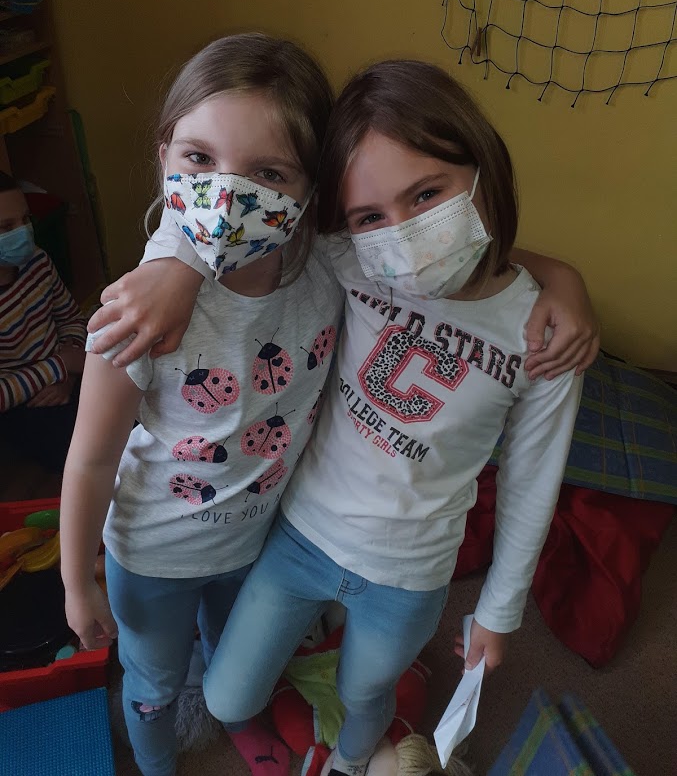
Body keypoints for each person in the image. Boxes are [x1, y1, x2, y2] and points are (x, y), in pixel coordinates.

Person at [90, 57, 598, 776]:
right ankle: (322, 648)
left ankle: (353, 762)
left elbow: (531, 481)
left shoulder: (541, 336)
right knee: (230, 698)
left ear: (483, 166)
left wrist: (497, 610)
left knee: (366, 694)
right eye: (369, 217)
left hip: (411, 571)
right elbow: (231, 221)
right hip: (298, 536)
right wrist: (175, 266)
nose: (405, 236)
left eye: (427, 194)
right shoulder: (353, 261)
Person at [60, 33, 343, 776]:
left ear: (313, 189)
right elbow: (89, 458)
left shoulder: (328, 268)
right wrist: (75, 579)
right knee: (153, 684)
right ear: (164, 157)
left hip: (257, 543)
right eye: (199, 158)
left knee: (234, 659)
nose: (226, 197)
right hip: (153, 553)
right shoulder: (136, 313)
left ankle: (234, 715)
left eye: (268, 172)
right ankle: (156, 764)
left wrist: (562, 284)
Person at [0, 171, 85, 472]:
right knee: (86, 455)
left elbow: (71, 318)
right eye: (6, 227)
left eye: (25, 219)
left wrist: (68, 375)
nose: (23, 232)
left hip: (66, 371)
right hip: (25, 402)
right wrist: (60, 366)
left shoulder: (37, 261)